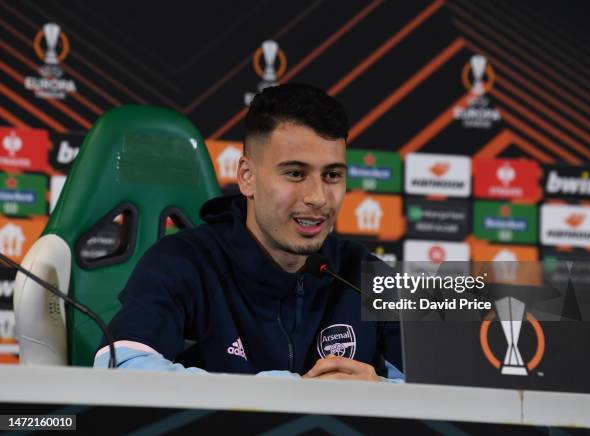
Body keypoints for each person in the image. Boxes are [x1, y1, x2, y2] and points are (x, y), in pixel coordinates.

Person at [94, 84, 403, 382]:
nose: (318, 197)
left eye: (332, 175)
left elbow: (445, 374)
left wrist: (379, 393)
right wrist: (298, 391)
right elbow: (120, 366)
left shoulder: (367, 273)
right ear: (247, 177)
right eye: (296, 173)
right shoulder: (180, 261)